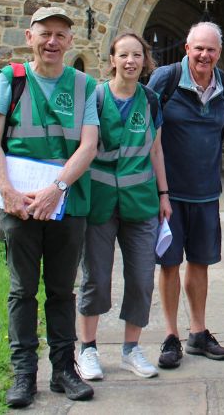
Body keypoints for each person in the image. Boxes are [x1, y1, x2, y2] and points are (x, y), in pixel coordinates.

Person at [0, 6, 99, 408]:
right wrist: (9, 192)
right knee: (21, 291)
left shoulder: (84, 85)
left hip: (67, 204)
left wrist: (56, 188)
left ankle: (64, 370)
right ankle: (23, 374)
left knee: (62, 290)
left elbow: (89, 144)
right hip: (17, 204)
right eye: (45, 33)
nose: (52, 41)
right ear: (29, 37)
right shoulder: (10, 79)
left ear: (70, 42)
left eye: (60, 35)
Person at [75, 32, 172, 382]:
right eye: (123, 55)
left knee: (142, 278)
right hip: (99, 202)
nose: (131, 61)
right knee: (96, 278)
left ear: (145, 61)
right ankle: (87, 349)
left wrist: (164, 195)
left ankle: (131, 349)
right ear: (112, 60)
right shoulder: (95, 97)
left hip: (141, 202)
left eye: (137, 55)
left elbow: (156, 150)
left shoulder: (151, 101)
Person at [148, 22, 224, 368]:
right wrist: (157, 192)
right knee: (169, 264)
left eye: (211, 49)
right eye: (199, 48)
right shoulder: (165, 81)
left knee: (200, 263)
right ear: (187, 48)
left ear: (219, 52)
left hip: (205, 194)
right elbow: (148, 137)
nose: (205, 55)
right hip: (169, 195)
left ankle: (198, 332)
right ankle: (171, 336)